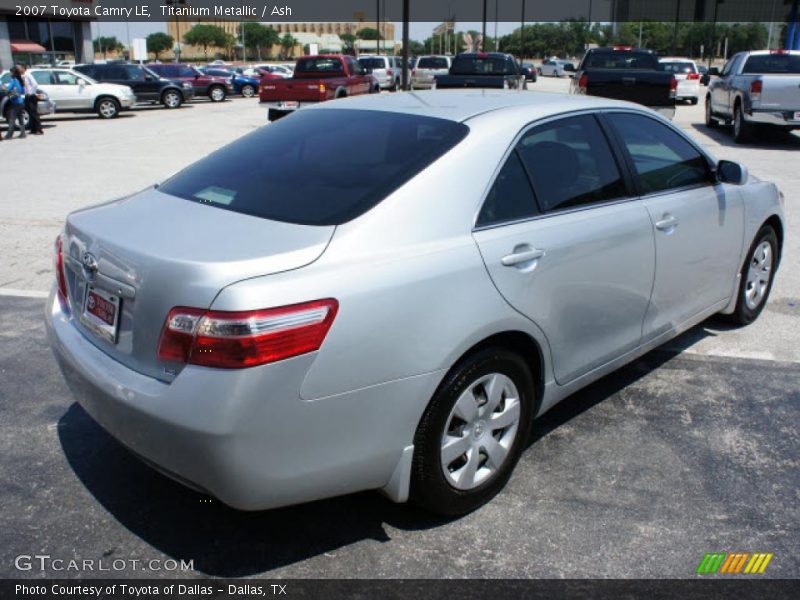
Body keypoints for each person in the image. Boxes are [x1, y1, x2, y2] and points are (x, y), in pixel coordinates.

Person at [19, 64, 43, 135]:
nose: (19, 70)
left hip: (31, 96)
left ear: (23, 68)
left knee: (34, 113)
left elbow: (35, 84)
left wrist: (31, 92)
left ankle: (39, 129)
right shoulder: (22, 76)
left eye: (19, 68)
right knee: (29, 112)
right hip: (26, 96)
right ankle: (33, 129)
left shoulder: (28, 75)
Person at [3, 67, 26, 140]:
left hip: (15, 102)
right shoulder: (20, 80)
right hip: (21, 102)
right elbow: (22, 91)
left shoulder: (13, 80)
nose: (10, 73)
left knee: (12, 119)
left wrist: (4, 87)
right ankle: (23, 134)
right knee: (20, 118)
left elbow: (8, 89)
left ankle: (9, 135)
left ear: (13, 73)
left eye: (10, 72)